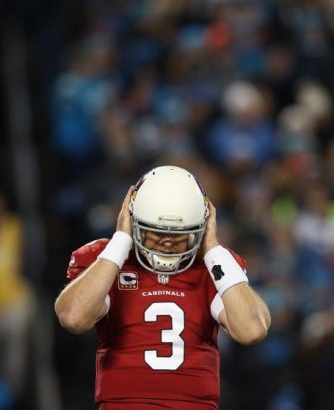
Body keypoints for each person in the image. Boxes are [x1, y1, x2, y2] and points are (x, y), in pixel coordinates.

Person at [55, 165, 271, 409]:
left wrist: (213, 249)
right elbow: (73, 317)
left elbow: (252, 329)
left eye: (179, 234)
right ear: (132, 220)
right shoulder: (109, 260)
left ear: (202, 227)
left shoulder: (213, 265)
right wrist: (120, 243)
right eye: (155, 232)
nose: (167, 242)